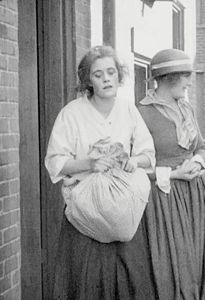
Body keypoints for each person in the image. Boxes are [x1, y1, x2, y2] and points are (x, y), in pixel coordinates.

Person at [45, 45, 158, 299]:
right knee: (87, 283)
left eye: (111, 72)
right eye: (98, 74)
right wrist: (89, 164)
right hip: (86, 217)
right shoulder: (72, 113)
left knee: (128, 283)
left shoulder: (128, 110)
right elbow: (55, 161)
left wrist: (133, 161)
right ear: (88, 80)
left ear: (119, 76)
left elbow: (147, 154)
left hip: (121, 215)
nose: (106, 79)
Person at [138, 48, 205, 300]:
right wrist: (175, 174)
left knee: (197, 263)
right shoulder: (142, 114)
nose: (189, 82)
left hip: (196, 196)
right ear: (167, 77)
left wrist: (198, 159)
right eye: (185, 75)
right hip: (165, 200)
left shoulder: (186, 109)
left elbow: (200, 146)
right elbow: (135, 168)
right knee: (173, 267)